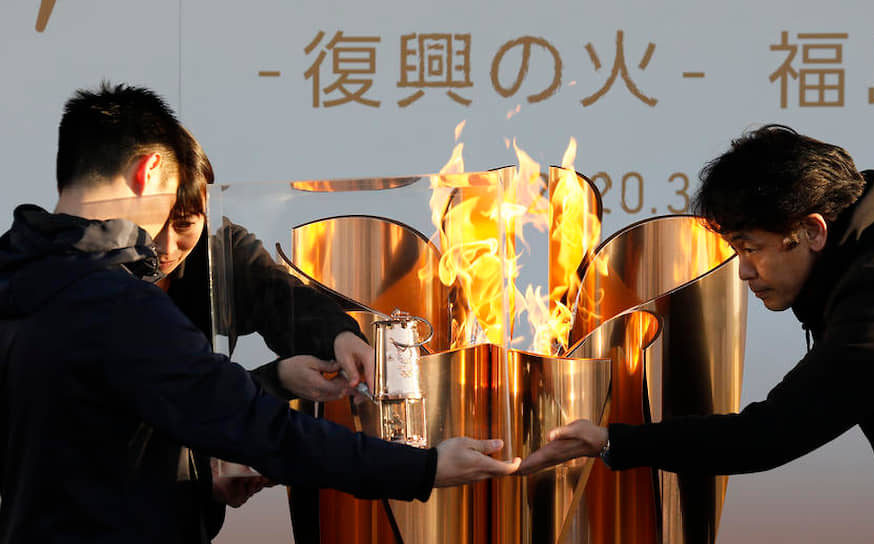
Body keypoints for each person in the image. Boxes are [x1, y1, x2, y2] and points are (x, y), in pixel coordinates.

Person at [0, 83, 520, 543]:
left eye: (187, 226)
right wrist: (424, 469)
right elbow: (255, 427)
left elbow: (117, 428)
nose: (162, 246)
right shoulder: (119, 304)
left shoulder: (22, 279)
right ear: (150, 169)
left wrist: (329, 340)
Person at [518, 125, 874, 543]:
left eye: (751, 248)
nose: (744, 272)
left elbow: (770, 433)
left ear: (813, 230)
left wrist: (611, 440)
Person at [152, 151, 376, 541]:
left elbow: (280, 296)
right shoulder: (105, 284)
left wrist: (341, 337)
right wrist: (275, 382)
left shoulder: (219, 249)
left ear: (206, 209)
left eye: (185, 225)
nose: (166, 246)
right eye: (153, 225)